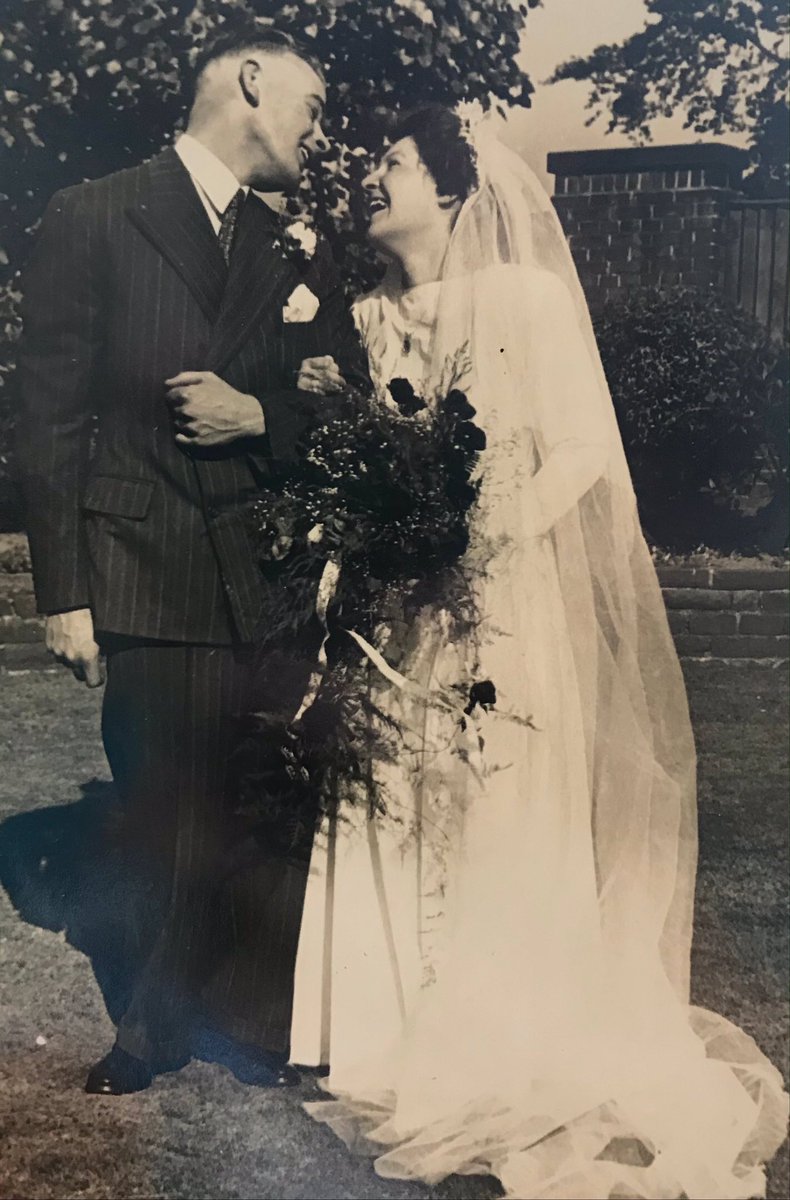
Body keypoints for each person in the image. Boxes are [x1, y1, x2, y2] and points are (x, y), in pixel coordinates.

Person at [291, 108, 788, 1199]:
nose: (370, 177)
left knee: (492, 796)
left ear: (451, 189)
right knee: (390, 788)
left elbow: (580, 449)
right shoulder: (367, 313)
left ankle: (497, 1033)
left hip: (499, 594)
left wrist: (485, 537)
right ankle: (383, 1032)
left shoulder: (524, 299)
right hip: (398, 600)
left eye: (391, 162)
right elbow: (384, 450)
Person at [16, 24, 369, 1096]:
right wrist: (65, 592)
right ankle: (153, 1028)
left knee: (263, 804)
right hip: (146, 559)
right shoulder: (95, 213)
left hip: (264, 573)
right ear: (251, 81)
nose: (319, 132)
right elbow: (49, 418)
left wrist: (257, 414)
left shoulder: (291, 246)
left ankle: (254, 1020)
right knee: (165, 803)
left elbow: (342, 407)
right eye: (312, 105)